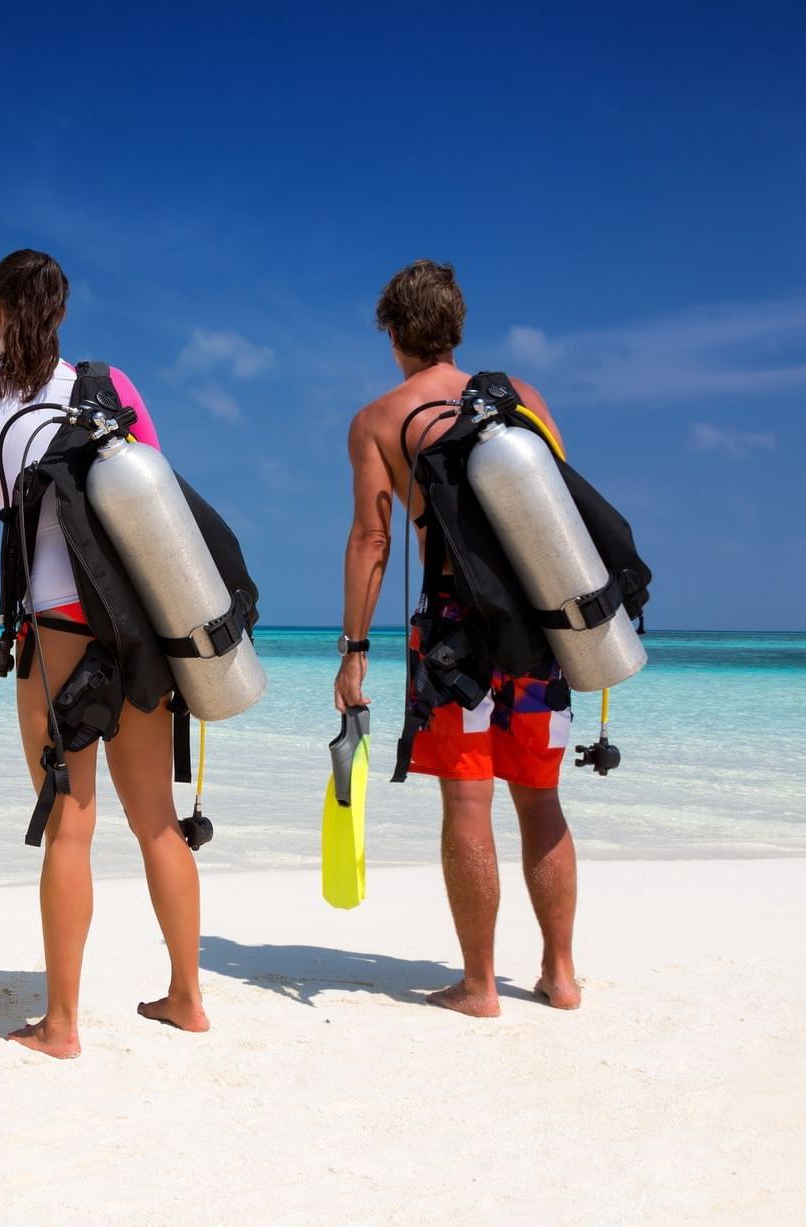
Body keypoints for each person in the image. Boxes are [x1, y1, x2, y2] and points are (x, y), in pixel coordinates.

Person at [0, 248, 207, 1058]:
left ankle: (64, 1025)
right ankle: (186, 997)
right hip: (137, 629)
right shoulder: (112, 390)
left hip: (58, 637)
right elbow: (161, 508)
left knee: (70, 830)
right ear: (62, 314)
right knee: (158, 825)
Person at [334, 259, 581, 1018]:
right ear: (456, 324)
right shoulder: (524, 399)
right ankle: (560, 974)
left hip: (452, 632)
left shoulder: (381, 420)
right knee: (541, 798)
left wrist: (354, 650)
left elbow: (373, 541)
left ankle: (479, 984)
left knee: (468, 802)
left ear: (393, 332)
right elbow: (559, 510)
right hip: (541, 623)